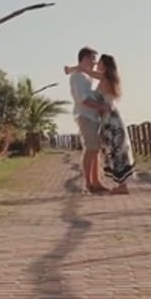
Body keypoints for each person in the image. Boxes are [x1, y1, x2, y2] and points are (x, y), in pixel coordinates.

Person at [63, 47, 108, 194]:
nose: (95, 62)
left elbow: (104, 76)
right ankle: (89, 183)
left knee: (95, 150)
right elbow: (83, 99)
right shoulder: (78, 77)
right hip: (85, 116)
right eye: (93, 59)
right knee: (90, 149)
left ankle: (96, 181)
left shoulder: (85, 75)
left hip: (92, 116)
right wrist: (101, 107)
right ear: (85, 58)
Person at [96, 54, 135, 193]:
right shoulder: (108, 78)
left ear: (105, 65)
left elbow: (90, 73)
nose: (96, 64)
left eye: (99, 62)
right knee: (115, 149)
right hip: (109, 118)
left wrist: (75, 68)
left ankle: (122, 186)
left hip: (110, 119)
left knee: (116, 150)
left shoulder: (105, 78)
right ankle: (121, 185)